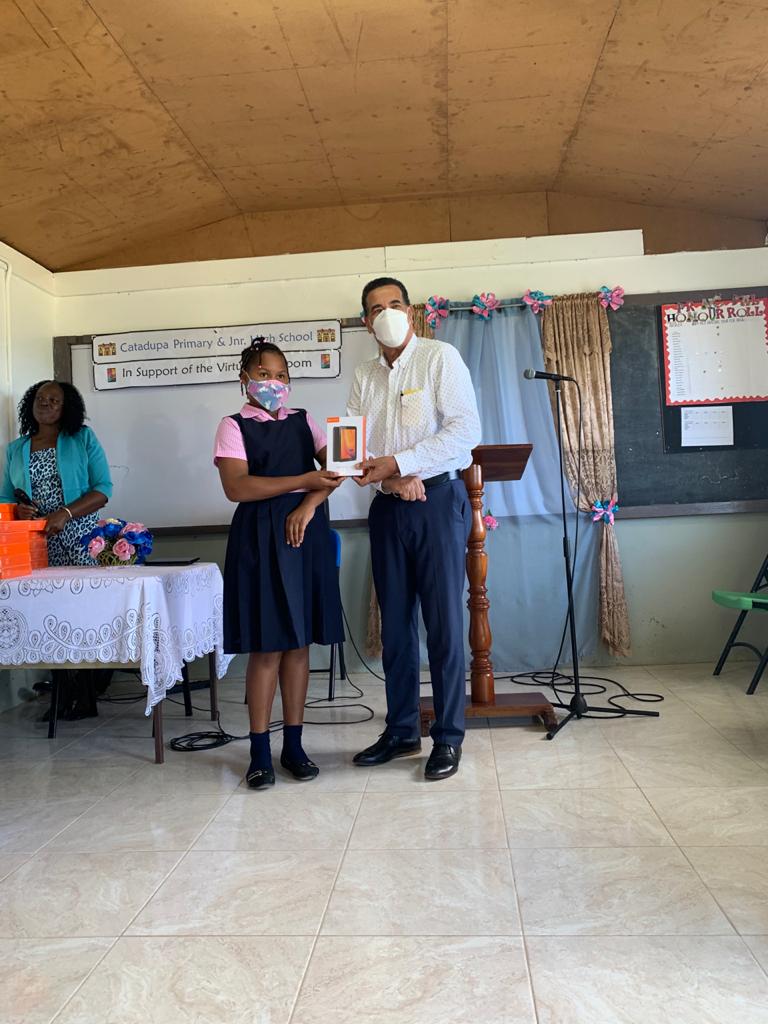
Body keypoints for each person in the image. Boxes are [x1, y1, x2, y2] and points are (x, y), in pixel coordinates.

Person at [348, 277, 481, 780]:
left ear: (411, 310)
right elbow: (356, 446)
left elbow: (465, 432)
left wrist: (404, 467)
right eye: (376, 308)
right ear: (366, 322)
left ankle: (447, 736)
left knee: (444, 624)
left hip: (438, 500)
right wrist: (388, 478)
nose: (386, 314)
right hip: (388, 507)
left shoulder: (439, 357)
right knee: (397, 627)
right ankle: (402, 730)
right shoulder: (364, 374)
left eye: (395, 304)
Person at [215, 338, 345, 789]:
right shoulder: (233, 426)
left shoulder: (304, 420)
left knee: (299, 643)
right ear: (245, 381)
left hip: (303, 534)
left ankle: (293, 745)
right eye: (264, 374)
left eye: (282, 375)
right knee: (267, 645)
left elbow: (338, 470)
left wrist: (308, 504)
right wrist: (304, 479)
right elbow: (238, 487)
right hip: (258, 538)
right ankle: (258, 752)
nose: (275, 383)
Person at [0, 379, 114, 718]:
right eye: (40, 398)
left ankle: (87, 694)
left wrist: (64, 513)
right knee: (49, 616)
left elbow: (103, 489)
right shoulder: (16, 449)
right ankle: (62, 694)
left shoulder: (82, 439)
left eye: (54, 399)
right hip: (36, 544)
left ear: (67, 408)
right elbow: (6, 497)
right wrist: (18, 511)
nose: (46, 403)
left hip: (79, 536)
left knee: (82, 615)